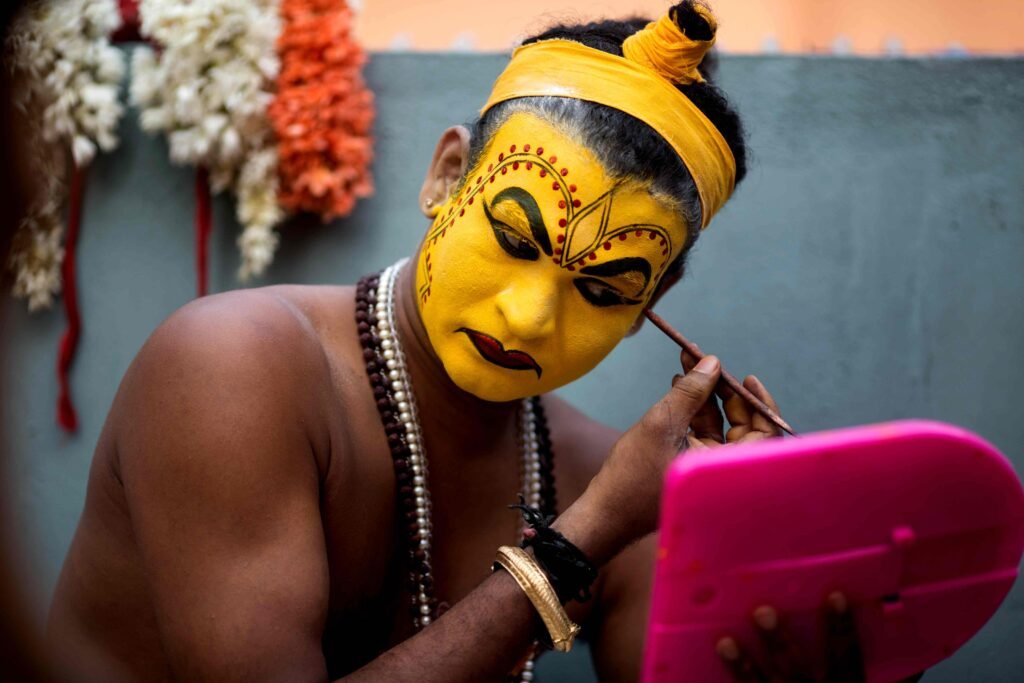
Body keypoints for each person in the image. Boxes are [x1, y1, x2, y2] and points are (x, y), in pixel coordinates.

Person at [46, 3, 918, 682]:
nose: (534, 316)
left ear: (658, 302)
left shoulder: (607, 479)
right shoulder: (232, 368)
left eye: (605, 288)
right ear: (448, 175)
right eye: (513, 235)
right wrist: (578, 543)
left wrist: (808, 602)